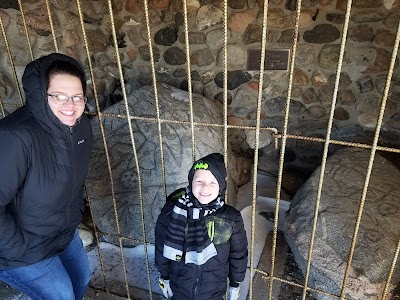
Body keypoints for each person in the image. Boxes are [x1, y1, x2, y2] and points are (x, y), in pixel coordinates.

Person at [0, 53, 93, 300]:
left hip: (62, 231)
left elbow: (75, 181)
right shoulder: (15, 136)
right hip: (21, 245)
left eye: (76, 96)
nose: (70, 104)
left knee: (82, 279)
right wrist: (17, 249)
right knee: (62, 296)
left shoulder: (80, 127)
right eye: (58, 96)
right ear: (41, 96)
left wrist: (73, 216)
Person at [155, 153, 248, 300]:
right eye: (199, 181)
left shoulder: (231, 218)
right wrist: (164, 275)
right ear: (191, 182)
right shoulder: (172, 212)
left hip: (214, 291)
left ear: (221, 186)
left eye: (213, 182)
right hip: (179, 288)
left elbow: (238, 254)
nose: (205, 187)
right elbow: (161, 246)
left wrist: (235, 283)